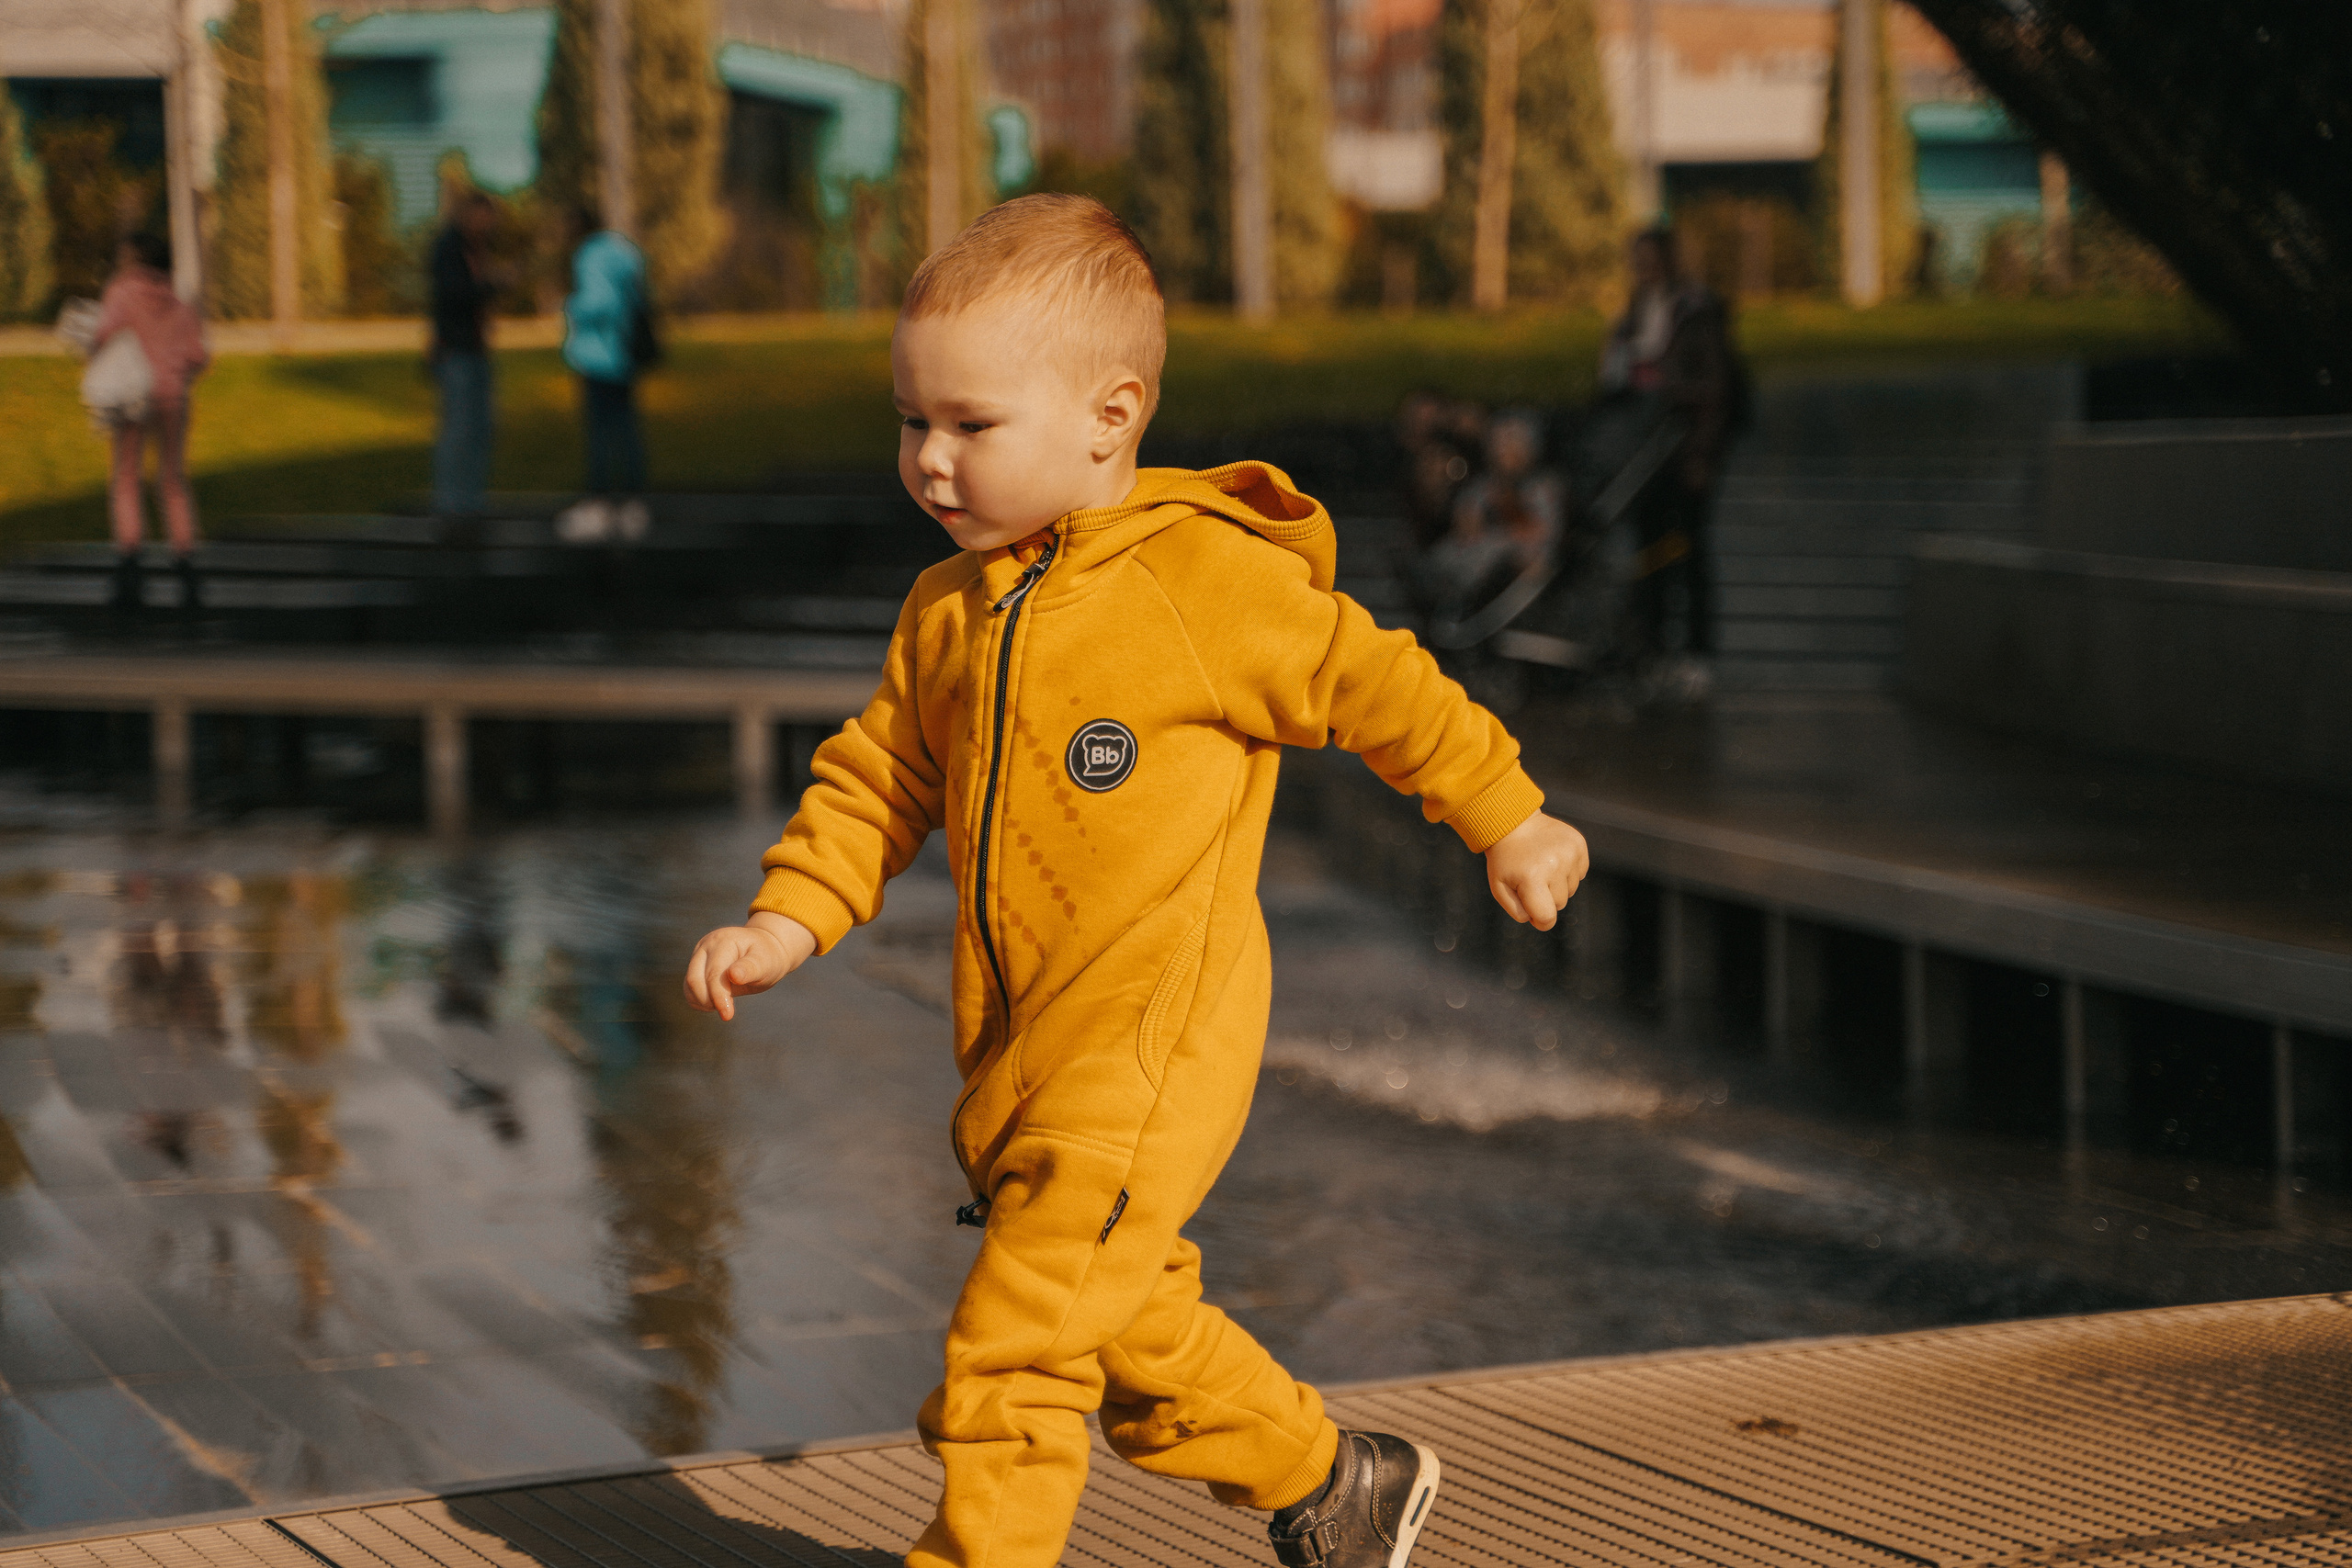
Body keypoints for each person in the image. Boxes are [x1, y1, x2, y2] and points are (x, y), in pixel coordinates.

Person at [680, 194, 1590, 1568]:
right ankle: (1336, 1481)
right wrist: (783, 917)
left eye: (970, 426)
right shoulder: (949, 610)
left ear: (1109, 416)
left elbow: (1375, 681)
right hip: (1019, 1057)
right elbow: (878, 782)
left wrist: (1508, 813)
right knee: (1128, 1340)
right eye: (912, 421)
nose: (930, 460)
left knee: (1013, 1350)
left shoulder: (1203, 585)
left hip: (1148, 1046)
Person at [1600, 223, 1735, 684]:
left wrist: (1702, 454)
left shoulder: (1697, 311)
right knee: (1651, 549)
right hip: (1642, 457)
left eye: (1651, 257)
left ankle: (1697, 650)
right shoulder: (1634, 312)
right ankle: (1653, 645)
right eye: (1637, 259)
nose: (1644, 268)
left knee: (1689, 549)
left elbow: (1715, 388)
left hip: (1682, 450)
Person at [92, 232, 209, 614]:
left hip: (133, 395)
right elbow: (199, 355)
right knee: (173, 480)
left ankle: (130, 566)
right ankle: (187, 568)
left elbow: (101, 335)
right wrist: (174, 371)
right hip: (174, 397)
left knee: (126, 477)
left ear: (138, 260)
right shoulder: (180, 300)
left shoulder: (122, 293)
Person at [557, 206, 651, 544]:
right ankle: (633, 502)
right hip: (624, 352)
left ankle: (599, 502)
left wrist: (569, 307)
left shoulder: (589, 255)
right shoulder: (624, 251)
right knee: (626, 427)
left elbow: (598, 303)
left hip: (598, 354)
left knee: (599, 431)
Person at [429, 190, 505, 521]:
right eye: (483, 217)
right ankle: (451, 502)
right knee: (459, 428)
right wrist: (493, 286)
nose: (488, 224)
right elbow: (454, 295)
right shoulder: (449, 250)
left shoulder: (474, 249)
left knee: (481, 427)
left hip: (475, 349)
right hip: (456, 351)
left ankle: (471, 499)